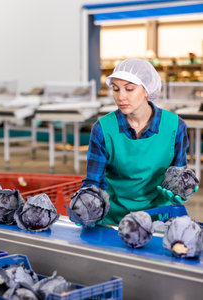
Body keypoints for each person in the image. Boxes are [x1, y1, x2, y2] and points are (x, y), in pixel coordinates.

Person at [81, 58, 196, 225]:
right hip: (113, 220)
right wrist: (85, 203)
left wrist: (178, 190)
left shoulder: (174, 126)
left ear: (147, 90)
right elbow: (93, 181)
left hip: (157, 219)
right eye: (115, 89)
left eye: (129, 89)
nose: (121, 97)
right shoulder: (103, 129)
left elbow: (178, 175)